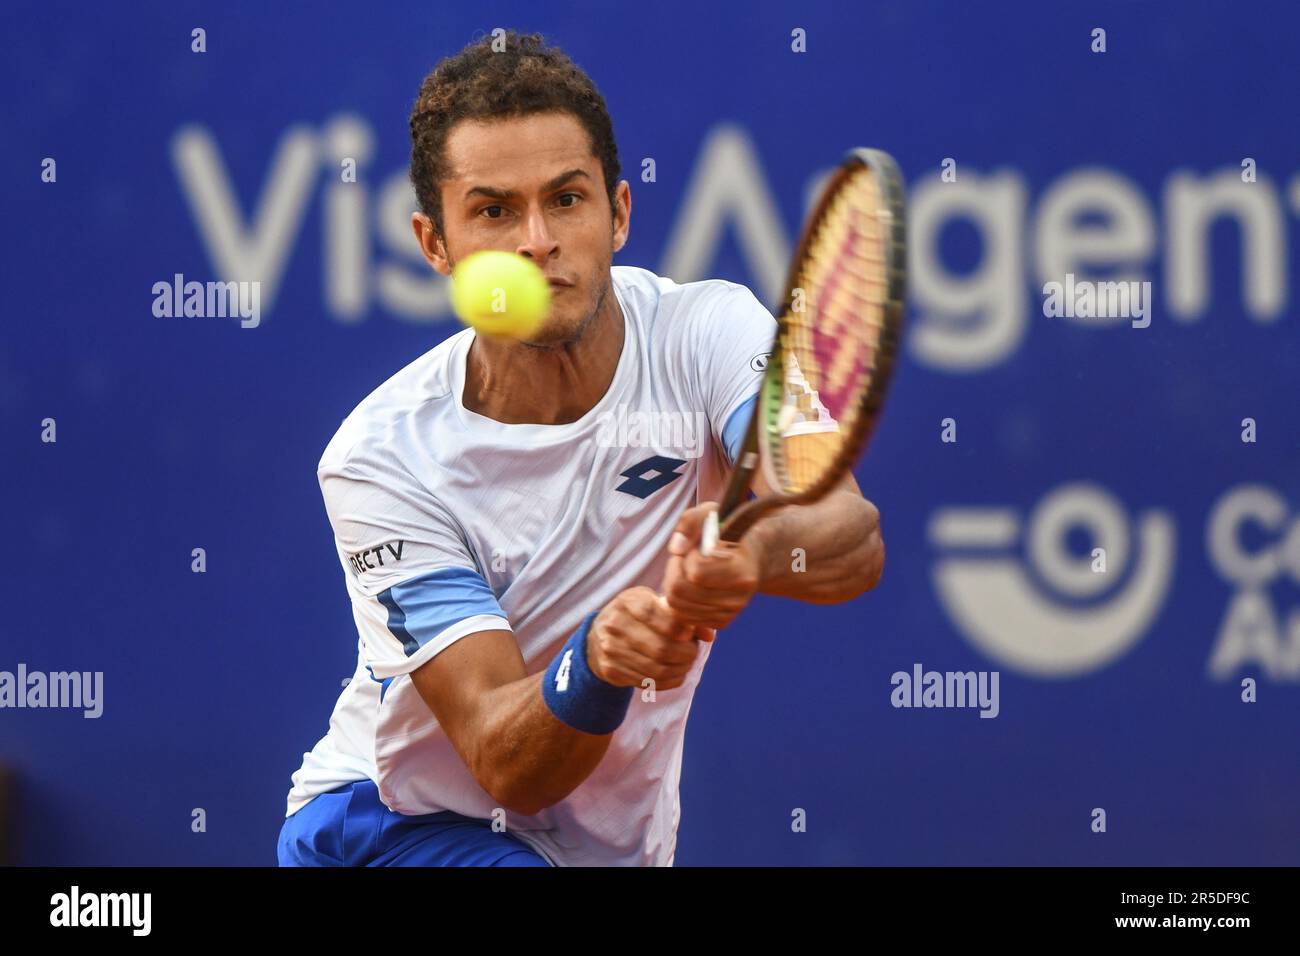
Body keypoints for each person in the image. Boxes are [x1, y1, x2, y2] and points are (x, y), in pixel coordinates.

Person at [278, 30, 884, 867]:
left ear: (619, 214)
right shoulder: (381, 459)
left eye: (566, 198)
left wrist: (752, 551)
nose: (537, 241)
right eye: (493, 210)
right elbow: (503, 760)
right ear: (435, 246)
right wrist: (596, 662)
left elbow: (849, 537)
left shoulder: (709, 335)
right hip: (388, 826)